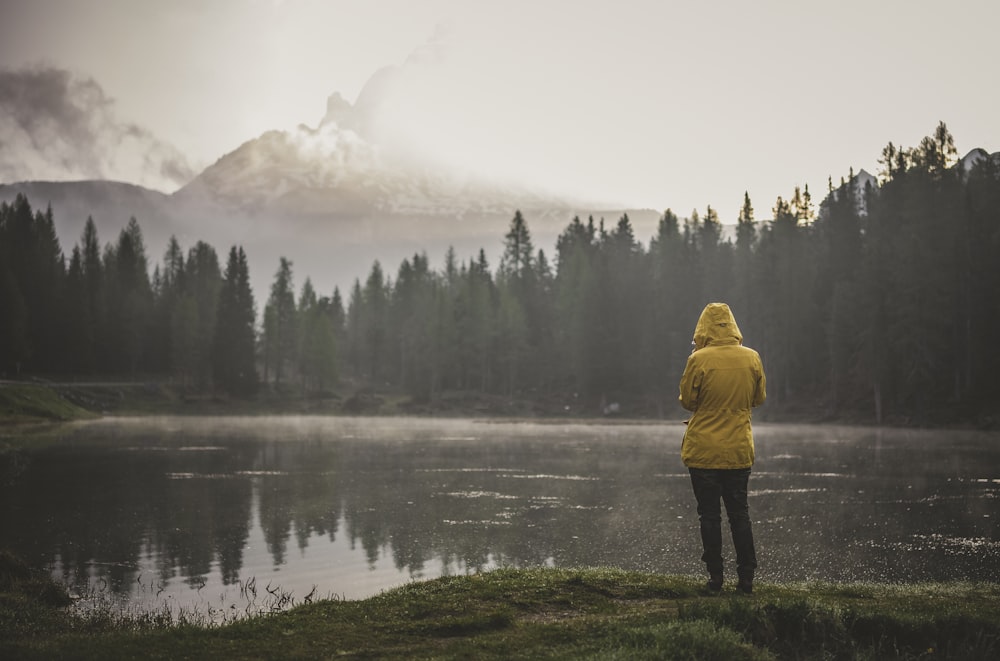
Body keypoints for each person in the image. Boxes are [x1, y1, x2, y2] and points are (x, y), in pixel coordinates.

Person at [678, 302, 766, 594]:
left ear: (703, 328)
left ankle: (715, 579)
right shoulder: (752, 358)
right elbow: (758, 398)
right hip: (738, 450)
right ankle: (746, 579)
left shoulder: (698, 360)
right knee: (739, 513)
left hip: (704, 452)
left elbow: (688, 402)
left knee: (710, 516)